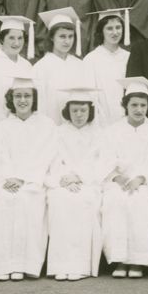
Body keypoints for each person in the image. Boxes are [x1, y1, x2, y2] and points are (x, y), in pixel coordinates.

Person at [0, 75, 56, 280]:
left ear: (34, 99)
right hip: (6, 181)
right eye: (18, 96)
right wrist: (8, 178)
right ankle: (1, 265)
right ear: (11, 99)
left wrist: (23, 178)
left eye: (27, 96)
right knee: (2, 202)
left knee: (26, 202)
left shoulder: (46, 125)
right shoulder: (2, 127)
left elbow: (45, 157)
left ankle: (24, 265)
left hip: (33, 181)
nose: (22, 100)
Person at [100, 78, 148, 278]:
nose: (139, 109)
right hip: (117, 181)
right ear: (125, 105)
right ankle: (119, 260)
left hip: (143, 182)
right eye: (134, 105)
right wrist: (117, 177)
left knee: (139, 202)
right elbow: (106, 159)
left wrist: (141, 178)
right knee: (115, 202)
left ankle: (137, 261)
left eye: (143, 105)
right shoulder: (112, 131)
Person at [46, 86, 105, 281]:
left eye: (83, 110)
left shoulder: (98, 134)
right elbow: (53, 160)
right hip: (62, 183)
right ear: (67, 112)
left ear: (90, 111)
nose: (79, 115)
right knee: (60, 202)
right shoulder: (58, 132)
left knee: (83, 201)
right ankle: (60, 266)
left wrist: (78, 176)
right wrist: (65, 179)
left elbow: (100, 163)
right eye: (74, 111)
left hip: (88, 183)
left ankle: (80, 266)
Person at [32, 7, 92, 125]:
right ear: (51, 37)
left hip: (76, 128)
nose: (67, 41)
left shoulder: (80, 65)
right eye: (62, 36)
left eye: (70, 36)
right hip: (51, 127)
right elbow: (39, 105)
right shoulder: (40, 68)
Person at [0, 15, 35, 122]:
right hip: (0, 126)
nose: (17, 43)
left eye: (20, 38)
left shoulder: (27, 66)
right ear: (1, 39)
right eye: (11, 38)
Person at [85, 8, 132, 127]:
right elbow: (90, 95)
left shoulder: (128, 57)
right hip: (100, 120)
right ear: (101, 31)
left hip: (126, 120)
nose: (115, 32)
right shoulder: (91, 59)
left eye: (118, 27)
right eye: (109, 28)